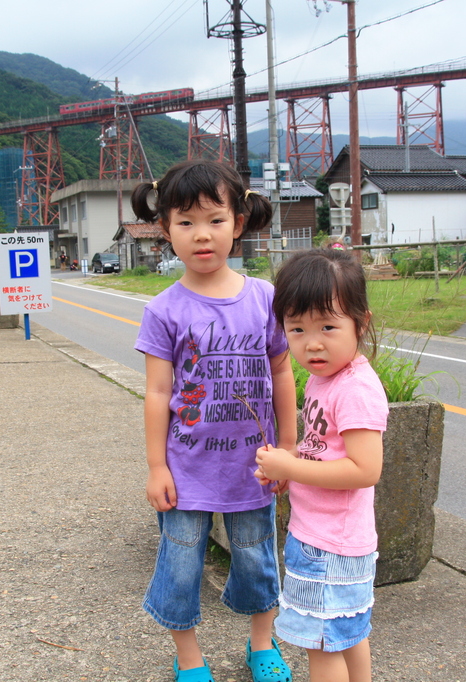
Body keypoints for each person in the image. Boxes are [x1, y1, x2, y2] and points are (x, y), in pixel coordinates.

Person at [132, 159, 296, 682]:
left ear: (239, 223)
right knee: (179, 566)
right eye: (185, 222)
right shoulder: (164, 309)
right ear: (165, 231)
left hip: (255, 467)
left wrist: (288, 449)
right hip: (187, 469)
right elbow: (158, 392)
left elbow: (283, 374)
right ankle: (189, 658)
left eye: (215, 220)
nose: (202, 235)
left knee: (258, 559)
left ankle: (262, 645)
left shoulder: (266, 298)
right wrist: (157, 467)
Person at [254, 249, 387, 682]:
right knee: (347, 634)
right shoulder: (324, 377)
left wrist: (289, 468)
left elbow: (364, 470)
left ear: (360, 323)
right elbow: (322, 452)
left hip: (329, 545)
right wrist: (287, 466)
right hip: (331, 539)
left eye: (328, 326)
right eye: (297, 329)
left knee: (322, 644)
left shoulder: (354, 390)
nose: (312, 342)